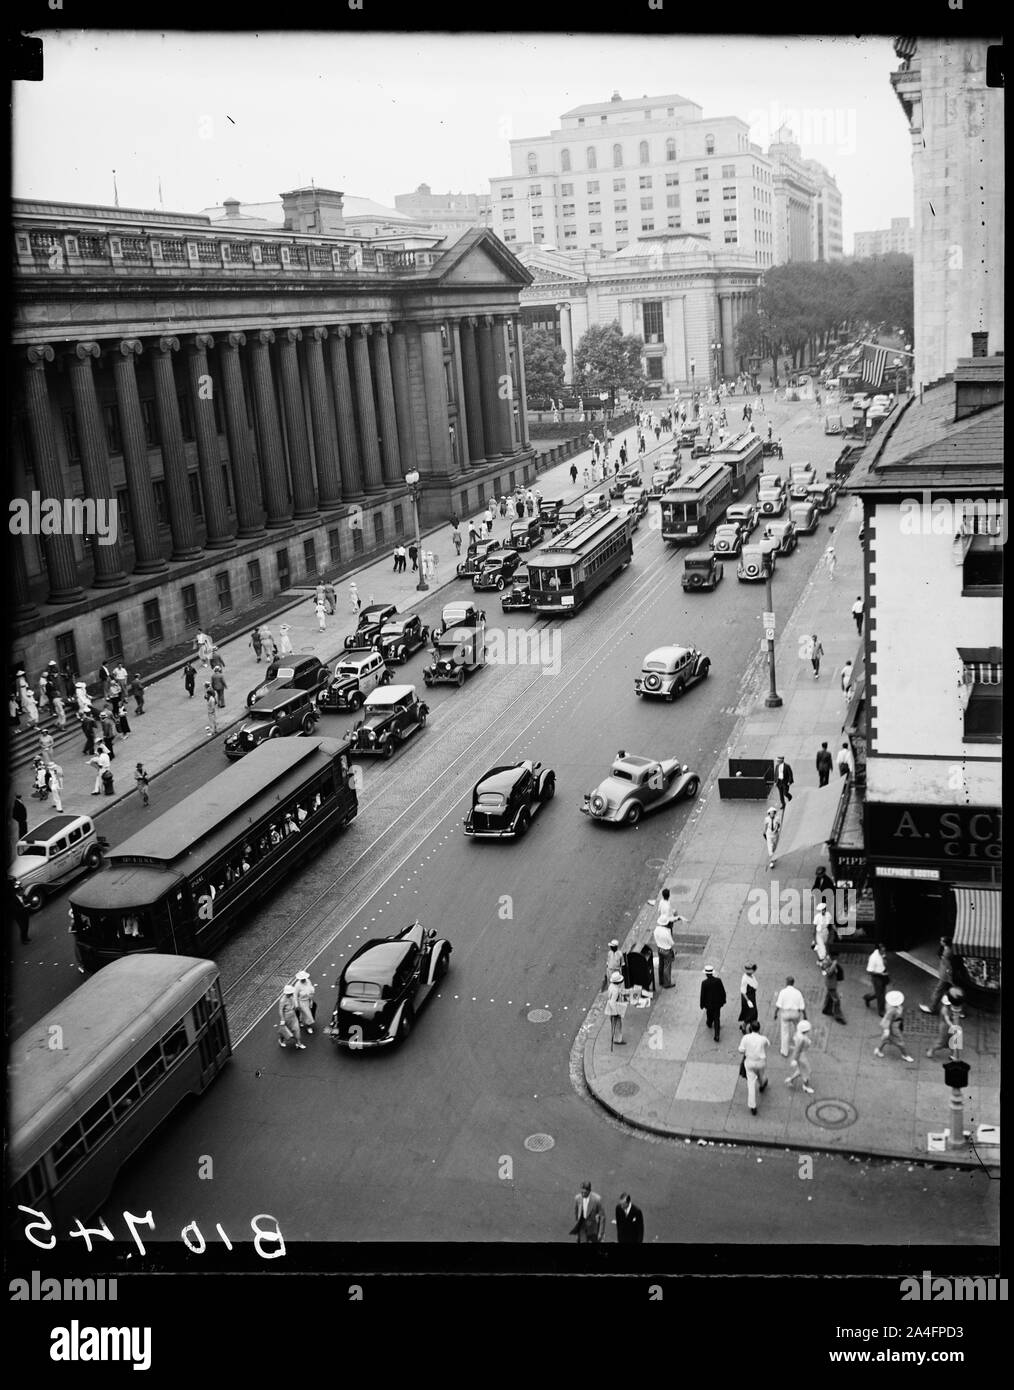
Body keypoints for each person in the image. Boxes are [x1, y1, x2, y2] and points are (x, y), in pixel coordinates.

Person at [738, 1021, 771, 1116]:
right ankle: (763, 1083)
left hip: (750, 1062)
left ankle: (753, 1106)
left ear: (750, 1028)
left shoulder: (746, 1038)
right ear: (759, 1029)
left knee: (751, 1083)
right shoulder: (762, 1038)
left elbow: (741, 1050)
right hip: (760, 1062)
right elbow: (768, 1044)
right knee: (761, 1074)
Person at [919, 937, 956, 1014]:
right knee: (949, 990)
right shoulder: (949, 949)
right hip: (946, 975)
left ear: (945, 942)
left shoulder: (947, 952)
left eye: (941, 940)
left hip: (945, 976)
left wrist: (949, 976)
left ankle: (932, 1008)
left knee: (938, 990)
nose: (940, 942)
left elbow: (947, 966)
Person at [654, 888, 682, 988]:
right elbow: (671, 943)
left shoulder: (656, 930)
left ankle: (661, 980)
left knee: (661, 965)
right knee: (667, 966)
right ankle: (667, 983)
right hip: (666, 950)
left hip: (659, 948)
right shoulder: (667, 932)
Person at [874, 990, 913, 1063]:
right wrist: (887, 1029)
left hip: (895, 1025)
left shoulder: (890, 1005)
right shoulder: (893, 1010)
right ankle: (905, 1055)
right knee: (900, 1041)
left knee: (887, 1039)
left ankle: (878, 1050)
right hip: (894, 1027)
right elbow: (888, 1020)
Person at [926, 987, 964, 1060]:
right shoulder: (944, 1010)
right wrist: (953, 1026)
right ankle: (931, 1050)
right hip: (945, 1027)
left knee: (953, 1041)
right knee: (941, 1042)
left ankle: (953, 1054)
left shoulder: (951, 1007)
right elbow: (947, 1019)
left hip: (950, 1026)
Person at [773, 976, 807, 1057]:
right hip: (796, 1014)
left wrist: (775, 1013)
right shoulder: (798, 992)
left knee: (785, 1033)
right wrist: (805, 1016)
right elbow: (802, 1007)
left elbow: (778, 1005)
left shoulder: (783, 992)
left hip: (785, 1014)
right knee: (798, 1031)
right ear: (793, 983)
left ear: (787, 982)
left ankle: (785, 1051)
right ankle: (798, 1048)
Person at [784, 1020, 814, 1094]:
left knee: (801, 1070)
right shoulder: (802, 1039)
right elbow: (798, 1050)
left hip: (800, 1056)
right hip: (801, 1056)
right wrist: (794, 1059)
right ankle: (806, 1086)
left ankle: (791, 1079)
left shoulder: (798, 1035)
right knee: (807, 1071)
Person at [700, 965, 727, 1042]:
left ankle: (709, 1023)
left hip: (708, 1004)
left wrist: (702, 1004)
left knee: (709, 1014)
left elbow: (703, 995)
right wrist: (723, 1000)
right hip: (717, 1003)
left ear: (706, 974)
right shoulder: (718, 980)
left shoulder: (704, 983)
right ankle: (717, 1035)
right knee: (717, 1018)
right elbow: (722, 991)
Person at [863, 942, 890, 1016]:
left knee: (880, 992)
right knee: (881, 995)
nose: (884, 950)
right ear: (878, 950)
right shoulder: (873, 957)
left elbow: (885, 964)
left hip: (883, 974)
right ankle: (881, 1011)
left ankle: (867, 997)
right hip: (877, 977)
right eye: (882, 949)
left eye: (884, 948)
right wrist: (880, 974)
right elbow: (869, 971)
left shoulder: (883, 954)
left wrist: (884, 959)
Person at [820, 950, 846, 1023]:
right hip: (831, 984)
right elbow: (828, 973)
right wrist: (834, 964)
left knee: (829, 997)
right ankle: (838, 1016)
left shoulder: (831, 961)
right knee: (836, 1000)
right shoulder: (826, 962)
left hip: (833, 982)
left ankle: (826, 1009)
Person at [277, 985, 307, 1049]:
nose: (292, 994)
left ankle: (298, 1043)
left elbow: (295, 1002)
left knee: (297, 1030)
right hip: (286, 1018)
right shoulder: (282, 1000)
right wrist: (282, 1019)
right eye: (290, 993)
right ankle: (281, 1040)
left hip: (293, 1016)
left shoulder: (292, 997)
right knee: (285, 1031)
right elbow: (280, 1010)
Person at [605, 970, 628, 1047]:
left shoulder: (611, 986)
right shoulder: (615, 990)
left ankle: (615, 1037)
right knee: (617, 1024)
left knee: (614, 1024)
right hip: (614, 1009)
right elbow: (612, 1002)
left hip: (611, 1008)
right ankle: (618, 1039)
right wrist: (616, 1012)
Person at [9, 877, 31, 945]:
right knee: (23, 927)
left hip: (25, 913)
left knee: (27, 926)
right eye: (22, 892)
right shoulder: (13, 899)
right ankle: (23, 940)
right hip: (18, 916)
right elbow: (16, 910)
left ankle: (26, 937)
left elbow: (27, 899)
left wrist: (28, 902)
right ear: (18, 892)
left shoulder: (22, 895)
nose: (23, 893)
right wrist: (25, 907)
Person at [739, 964, 759, 1033]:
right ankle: (744, 1027)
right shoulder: (745, 979)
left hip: (752, 997)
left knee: (753, 1013)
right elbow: (743, 992)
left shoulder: (752, 976)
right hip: (748, 998)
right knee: (750, 1014)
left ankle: (751, 1026)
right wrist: (748, 1001)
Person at [763, 804, 782, 869]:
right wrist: (764, 832)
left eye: (773, 813)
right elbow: (766, 825)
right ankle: (771, 862)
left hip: (775, 835)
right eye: (770, 813)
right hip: (769, 835)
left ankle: (774, 856)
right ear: (769, 814)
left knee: (774, 847)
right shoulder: (767, 819)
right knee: (770, 849)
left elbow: (778, 825)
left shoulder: (777, 818)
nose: (772, 814)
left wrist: (777, 829)